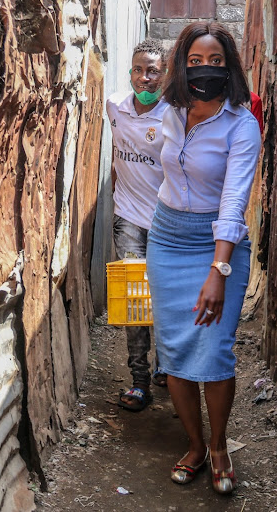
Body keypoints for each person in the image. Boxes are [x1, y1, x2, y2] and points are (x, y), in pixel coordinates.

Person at [146, 22, 261, 494]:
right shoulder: (171, 111)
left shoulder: (241, 123)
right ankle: (194, 445)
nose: (205, 70)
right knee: (174, 351)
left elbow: (234, 200)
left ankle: (219, 446)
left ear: (229, 67)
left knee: (213, 351)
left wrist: (219, 269)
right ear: (182, 65)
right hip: (167, 240)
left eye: (216, 62)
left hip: (219, 246)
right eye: (196, 61)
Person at [106, 38, 170, 412]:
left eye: (153, 71)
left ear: (164, 76)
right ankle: (140, 380)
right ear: (130, 72)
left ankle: (167, 365)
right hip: (127, 219)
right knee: (135, 302)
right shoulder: (114, 106)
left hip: (166, 224)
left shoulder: (175, 116)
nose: (144, 78)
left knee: (163, 298)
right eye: (137, 69)